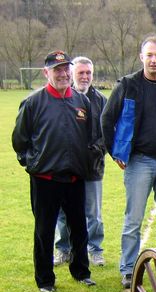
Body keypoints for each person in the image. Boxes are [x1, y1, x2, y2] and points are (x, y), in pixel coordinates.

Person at [102, 35, 156, 289]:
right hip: (138, 162)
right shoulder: (127, 85)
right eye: (149, 55)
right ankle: (129, 268)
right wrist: (115, 152)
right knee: (133, 218)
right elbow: (107, 119)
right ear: (142, 57)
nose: (153, 60)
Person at [12, 51, 98, 292]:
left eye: (65, 69)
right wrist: (33, 162)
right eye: (56, 69)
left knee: (79, 227)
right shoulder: (33, 102)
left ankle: (81, 271)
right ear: (46, 72)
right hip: (45, 179)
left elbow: (90, 137)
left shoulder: (82, 102)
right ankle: (45, 280)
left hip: (74, 177)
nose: (62, 74)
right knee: (44, 230)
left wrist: (85, 161)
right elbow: (20, 141)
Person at [54, 56, 107, 267]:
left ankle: (95, 249)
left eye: (88, 73)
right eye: (81, 73)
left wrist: (93, 152)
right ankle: (63, 249)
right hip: (66, 167)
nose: (85, 77)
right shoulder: (64, 98)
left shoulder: (101, 101)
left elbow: (107, 133)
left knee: (93, 213)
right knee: (63, 212)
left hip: (92, 167)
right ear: (72, 74)